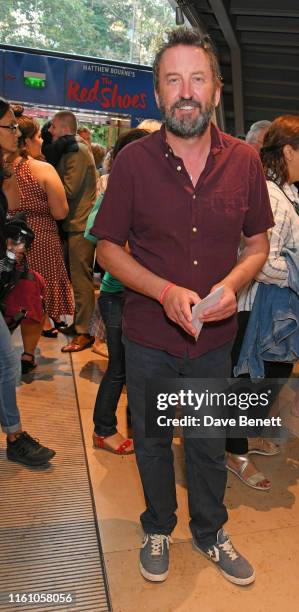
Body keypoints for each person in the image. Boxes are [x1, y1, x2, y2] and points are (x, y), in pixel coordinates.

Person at [92, 27, 273, 586]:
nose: (186, 91)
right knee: (149, 440)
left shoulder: (244, 162)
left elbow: (258, 245)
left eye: (198, 79)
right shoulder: (133, 163)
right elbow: (106, 248)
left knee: (206, 442)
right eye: (174, 80)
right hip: (147, 337)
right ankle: (157, 525)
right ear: (158, 93)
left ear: (217, 91)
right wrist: (164, 291)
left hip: (214, 341)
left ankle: (210, 530)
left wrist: (234, 286)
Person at [227, 115, 299, 490]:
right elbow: (262, 261)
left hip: (274, 307)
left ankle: (242, 441)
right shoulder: (271, 195)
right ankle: (234, 452)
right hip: (258, 309)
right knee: (249, 385)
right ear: (288, 151)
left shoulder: (288, 191)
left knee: (265, 383)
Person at [85, 128, 149, 454]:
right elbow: (93, 230)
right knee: (120, 367)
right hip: (119, 294)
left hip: (143, 296)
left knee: (138, 368)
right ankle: (103, 429)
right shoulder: (114, 185)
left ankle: (135, 427)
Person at [0, 120, 55, 465]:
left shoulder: (7, 171)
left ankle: (15, 434)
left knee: (7, 363)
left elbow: (13, 206)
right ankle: (15, 435)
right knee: (6, 363)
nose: (17, 133)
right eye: (9, 126)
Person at [10, 112, 73, 348]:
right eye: (38, 136)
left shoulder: (6, 169)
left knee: (12, 292)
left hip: (10, 240)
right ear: (25, 141)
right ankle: (28, 352)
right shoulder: (43, 169)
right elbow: (60, 212)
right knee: (37, 296)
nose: (42, 141)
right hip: (41, 240)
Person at [49, 111, 97, 352]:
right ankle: (79, 324)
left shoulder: (76, 150)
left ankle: (84, 332)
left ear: (64, 127)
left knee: (81, 281)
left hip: (81, 225)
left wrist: (45, 182)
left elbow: (69, 189)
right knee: (77, 279)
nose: (50, 131)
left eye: (53, 127)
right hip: (76, 224)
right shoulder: (73, 148)